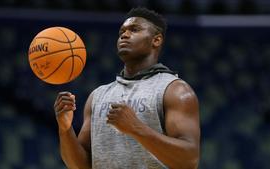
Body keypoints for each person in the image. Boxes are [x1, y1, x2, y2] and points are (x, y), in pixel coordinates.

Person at [54, 7, 200, 169]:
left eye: (134, 30)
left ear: (156, 40)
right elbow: (81, 166)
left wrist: (136, 128)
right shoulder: (98, 95)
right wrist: (65, 129)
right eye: (121, 32)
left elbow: (189, 160)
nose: (124, 35)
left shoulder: (174, 90)